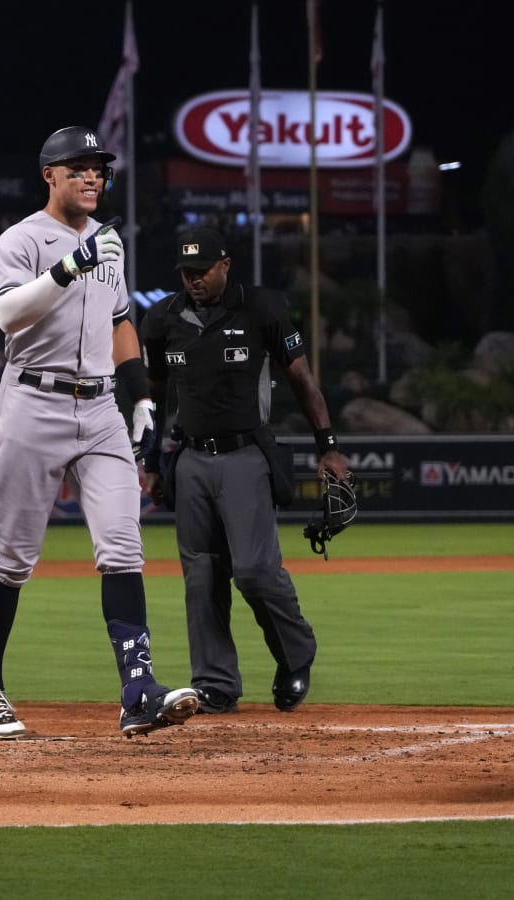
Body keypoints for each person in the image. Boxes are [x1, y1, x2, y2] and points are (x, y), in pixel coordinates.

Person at [0, 125, 198, 740]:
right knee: (12, 559)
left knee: (122, 548)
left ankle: (138, 690)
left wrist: (143, 399)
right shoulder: (21, 240)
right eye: (78, 168)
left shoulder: (108, 242)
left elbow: (121, 323)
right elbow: (6, 313)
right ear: (50, 176)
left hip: (99, 410)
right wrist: (71, 265)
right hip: (31, 403)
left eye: (98, 168)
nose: (92, 177)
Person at [139, 226, 349, 714]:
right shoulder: (162, 319)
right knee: (202, 576)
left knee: (254, 570)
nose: (193, 280)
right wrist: (150, 461)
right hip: (188, 459)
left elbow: (302, 379)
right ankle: (215, 682)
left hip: (244, 456)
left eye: (202, 270)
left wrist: (329, 447)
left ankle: (296, 654)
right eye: (186, 272)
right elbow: (152, 395)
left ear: (225, 264)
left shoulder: (261, 308)